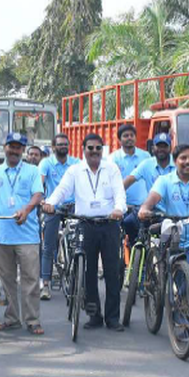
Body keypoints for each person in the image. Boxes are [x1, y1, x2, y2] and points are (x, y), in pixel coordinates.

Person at [138, 143, 189, 338]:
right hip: (173, 234)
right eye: (183, 158)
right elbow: (152, 198)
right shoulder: (164, 180)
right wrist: (145, 208)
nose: (188, 162)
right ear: (175, 161)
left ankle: (178, 310)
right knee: (183, 279)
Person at [43, 132, 126, 331]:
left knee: (112, 272)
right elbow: (62, 190)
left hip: (109, 225)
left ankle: (113, 318)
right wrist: (50, 203)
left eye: (98, 148)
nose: (94, 151)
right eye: (90, 148)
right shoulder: (75, 170)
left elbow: (119, 193)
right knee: (87, 271)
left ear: (102, 150)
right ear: (84, 150)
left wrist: (119, 209)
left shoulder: (111, 168)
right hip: (85, 225)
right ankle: (94, 315)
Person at [0, 132, 46, 335]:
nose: (14, 151)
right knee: (7, 281)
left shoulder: (32, 171)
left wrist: (26, 210)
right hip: (3, 236)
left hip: (28, 236)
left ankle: (32, 320)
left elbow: (38, 194)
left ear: (23, 150)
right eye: (11, 146)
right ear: (4, 148)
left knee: (30, 281)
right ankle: (12, 318)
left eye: (18, 147)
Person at [37, 133, 80, 300]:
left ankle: (78, 277)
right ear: (53, 147)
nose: (63, 147)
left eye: (65, 144)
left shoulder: (76, 163)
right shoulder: (45, 163)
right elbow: (39, 185)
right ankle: (45, 285)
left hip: (73, 207)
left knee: (80, 243)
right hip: (52, 207)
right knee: (48, 247)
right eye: (60, 144)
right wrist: (43, 202)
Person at [110, 123, 152, 255]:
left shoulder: (145, 157)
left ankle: (140, 268)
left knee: (140, 241)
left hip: (141, 206)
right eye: (125, 136)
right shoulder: (113, 159)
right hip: (121, 206)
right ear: (119, 139)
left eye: (131, 135)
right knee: (115, 241)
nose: (129, 138)